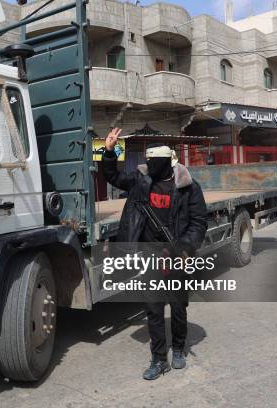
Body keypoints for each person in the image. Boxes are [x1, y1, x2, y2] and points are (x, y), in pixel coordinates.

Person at [102, 128, 208, 380]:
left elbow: (199, 222)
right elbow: (113, 177)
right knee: (153, 308)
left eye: (154, 162)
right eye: (148, 161)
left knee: (178, 306)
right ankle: (159, 359)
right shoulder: (142, 179)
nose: (149, 165)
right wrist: (108, 151)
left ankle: (179, 348)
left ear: (167, 162)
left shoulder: (188, 187)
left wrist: (185, 247)